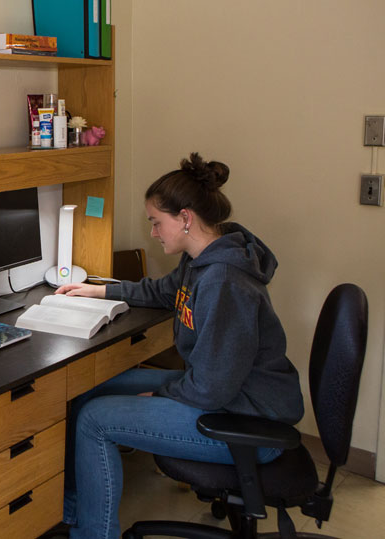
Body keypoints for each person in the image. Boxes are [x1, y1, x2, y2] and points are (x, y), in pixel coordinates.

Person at [55, 153, 303, 539]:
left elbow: (211, 388)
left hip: (244, 419)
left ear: (185, 218)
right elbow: (164, 291)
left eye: (157, 223)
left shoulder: (224, 281)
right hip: (223, 394)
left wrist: (164, 394)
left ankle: (92, 534)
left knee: (95, 420)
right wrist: (99, 290)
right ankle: (73, 513)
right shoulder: (203, 256)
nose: (153, 233)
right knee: (89, 393)